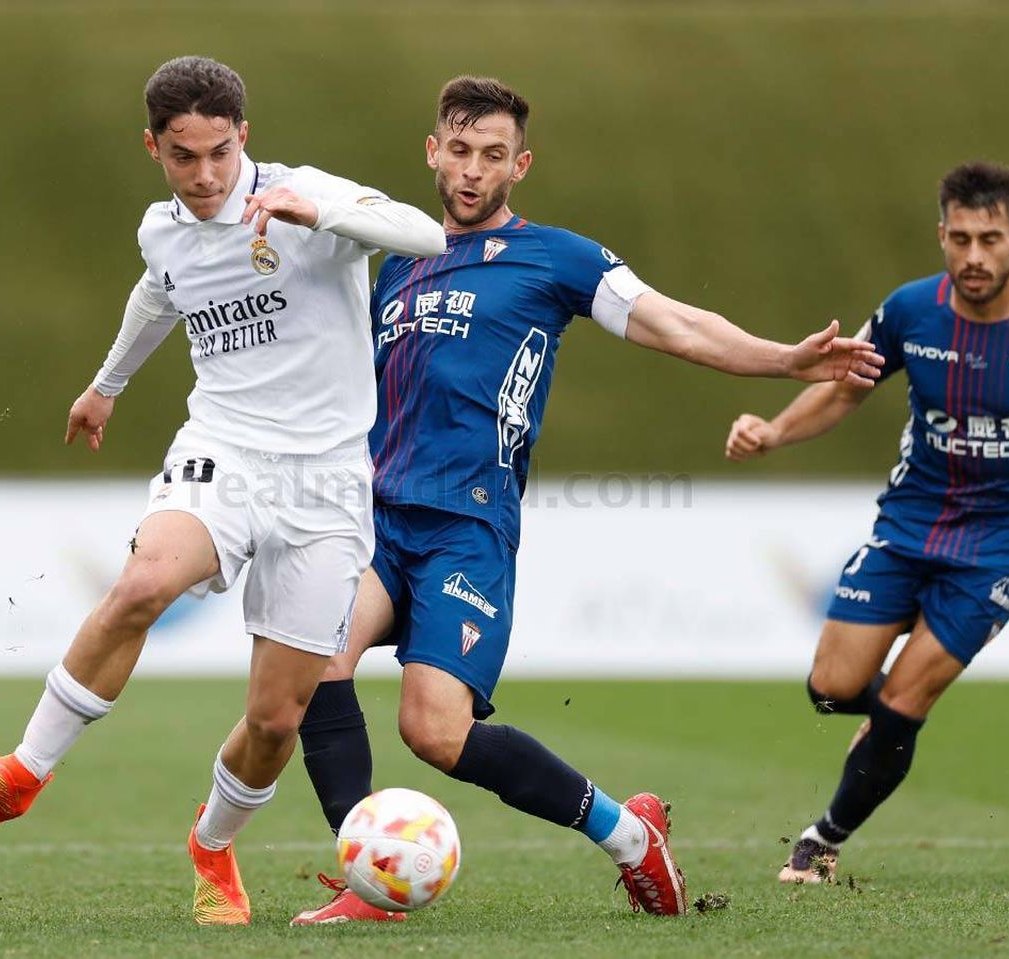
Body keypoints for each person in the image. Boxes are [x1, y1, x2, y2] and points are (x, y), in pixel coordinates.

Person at [289, 76, 885, 924]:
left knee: (435, 731)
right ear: (432, 151)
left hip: (467, 528)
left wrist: (784, 360)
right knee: (315, 663)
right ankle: (370, 882)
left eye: (492, 156)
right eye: (458, 150)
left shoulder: (558, 258)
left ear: (519, 165)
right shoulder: (399, 263)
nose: (471, 170)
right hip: (378, 520)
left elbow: (673, 322)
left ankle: (629, 836)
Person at [0, 55, 446, 926]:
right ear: (153, 148)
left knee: (277, 718)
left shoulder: (303, 194)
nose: (204, 176)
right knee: (142, 583)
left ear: (244, 136)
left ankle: (211, 843)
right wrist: (107, 385)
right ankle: (23, 770)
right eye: (182, 156)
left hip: (326, 482)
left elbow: (425, 236)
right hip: (225, 449)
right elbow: (159, 293)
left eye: (218, 152)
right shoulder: (161, 230)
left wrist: (314, 209)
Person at [723, 161, 1009, 883]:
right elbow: (847, 391)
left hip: (1002, 543)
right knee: (829, 684)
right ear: (941, 235)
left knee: (906, 698)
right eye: (961, 238)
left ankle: (821, 840)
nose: (975, 256)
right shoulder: (912, 312)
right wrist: (775, 431)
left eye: (991, 239)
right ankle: (886, 728)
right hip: (909, 522)